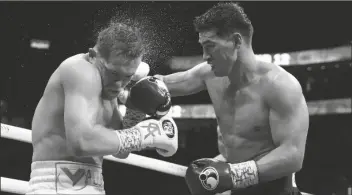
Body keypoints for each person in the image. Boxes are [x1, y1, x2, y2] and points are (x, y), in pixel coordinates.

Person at [155, 2, 309, 195]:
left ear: (237, 41)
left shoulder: (280, 85)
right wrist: (126, 80)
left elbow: (293, 155)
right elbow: (163, 85)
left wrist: (234, 175)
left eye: (210, 46)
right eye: (203, 47)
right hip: (237, 188)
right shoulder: (210, 75)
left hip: (274, 189)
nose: (205, 56)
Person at [27, 22, 178, 195]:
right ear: (93, 55)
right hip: (55, 186)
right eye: (114, 74)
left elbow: (120, 152)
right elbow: (81, 142)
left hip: (94, 185)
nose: (119, 85)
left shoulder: (107, 89)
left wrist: (135, 111)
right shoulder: (80, 70)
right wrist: (145, 135)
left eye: (127, 77)